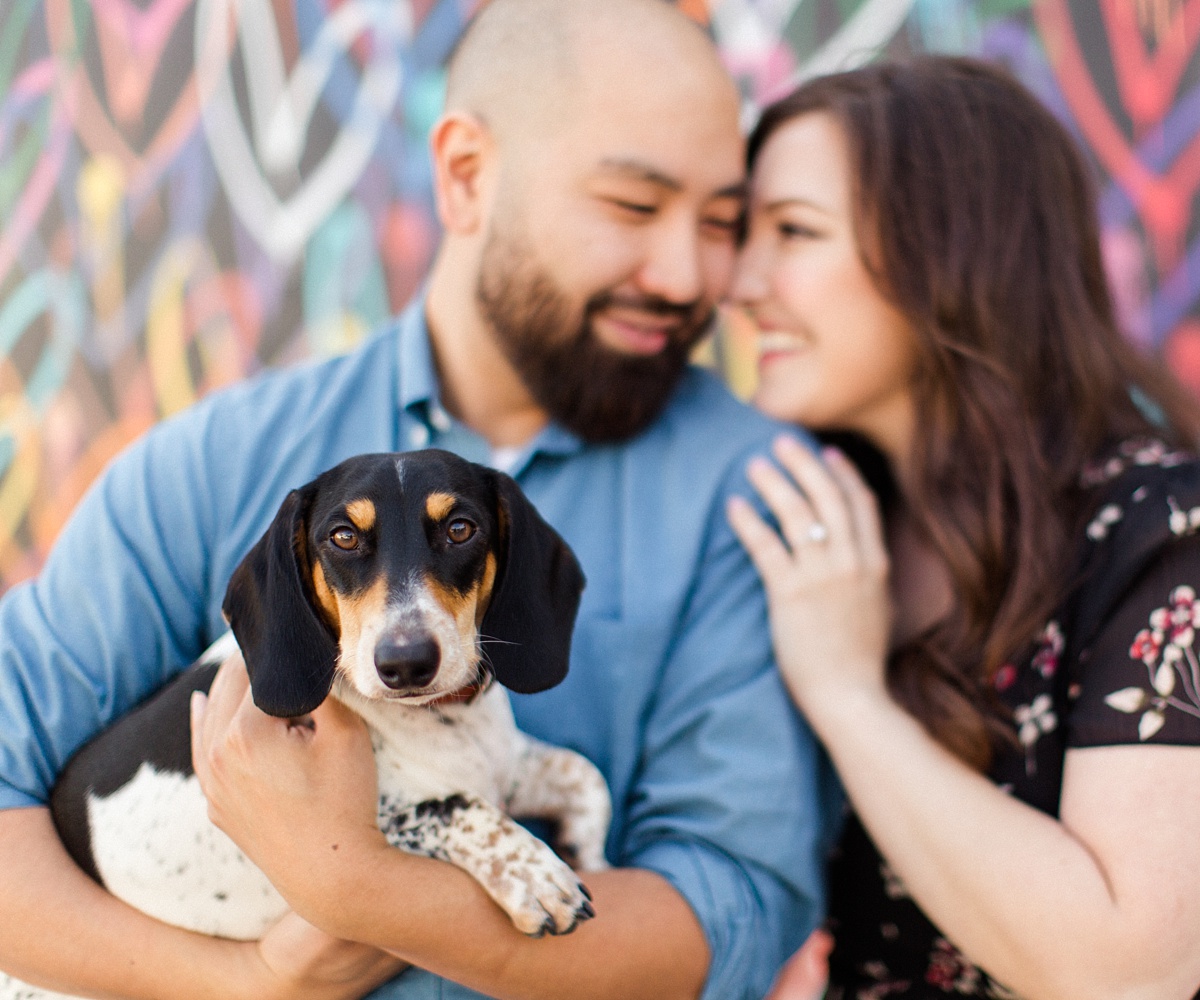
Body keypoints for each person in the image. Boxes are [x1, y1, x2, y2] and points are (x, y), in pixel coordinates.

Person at [0, 2, 833, 998]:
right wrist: (254, 984)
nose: (688, 273)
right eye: (633, 205)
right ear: (466, 173)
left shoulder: (758, 493)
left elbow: (732, 907)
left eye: (721, 222)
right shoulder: (208, 465)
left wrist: (356, 888)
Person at [727, 58, 1200, 1000]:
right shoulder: (837, 537)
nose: (739, 281)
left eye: (792, 232)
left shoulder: (1188, 542)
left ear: (951, 252)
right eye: (742, 234)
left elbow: (1123, 975)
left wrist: (846, 694)